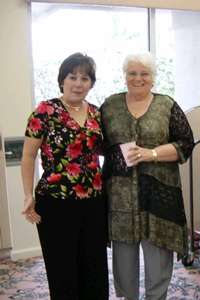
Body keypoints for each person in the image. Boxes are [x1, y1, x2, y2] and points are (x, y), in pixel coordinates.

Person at [101, 52, 194, 300]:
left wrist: (149, 153)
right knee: (123, 264)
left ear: (153, 78)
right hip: (120, 198)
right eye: (132, 73)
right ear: (124, 76)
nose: (138, 78)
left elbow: (186, 144)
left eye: (144, 73)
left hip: (159, 198)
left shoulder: (167, 105)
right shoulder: (109, 105)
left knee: (158, 263)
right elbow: (98, 143)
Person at [21, 53, 109, 300]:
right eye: (73, 77)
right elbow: (28, 156)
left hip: (93, 201)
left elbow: (104, 150)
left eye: (85, 78)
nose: (78, 83)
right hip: (55, 202)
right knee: (63, 272)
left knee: (95, 269)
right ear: (62, 80)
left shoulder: (96, 113)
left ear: (91, 83)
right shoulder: (45, 111)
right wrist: (28, 194)